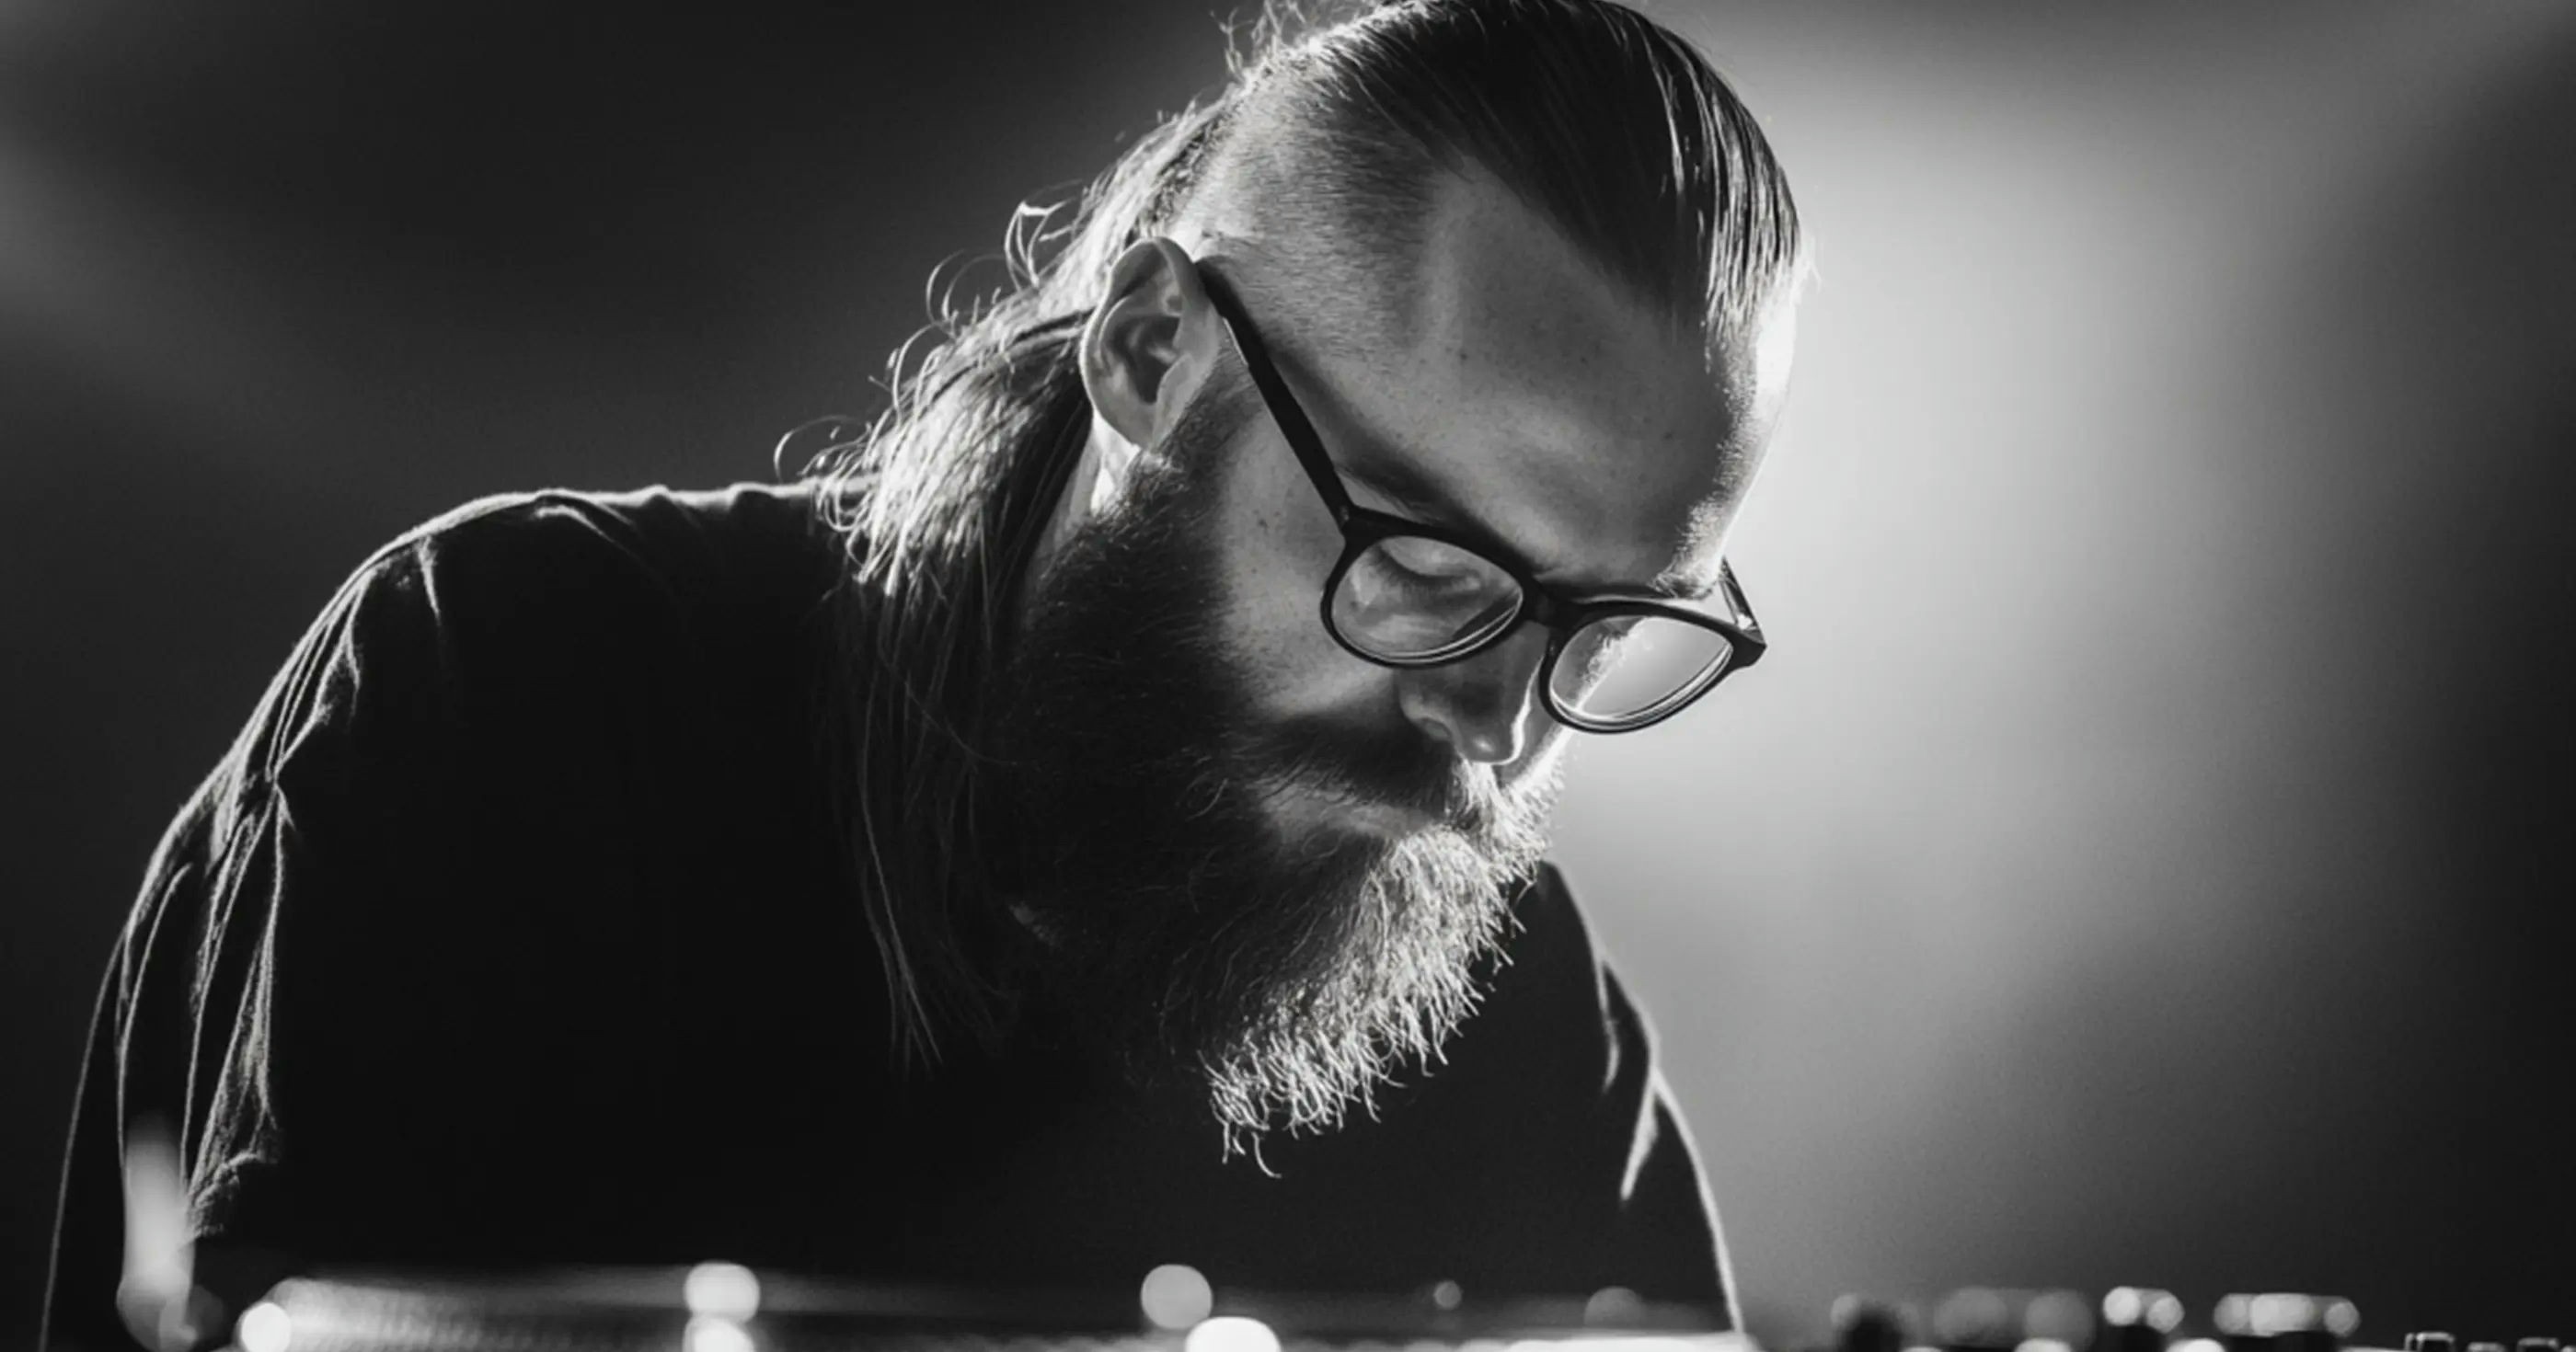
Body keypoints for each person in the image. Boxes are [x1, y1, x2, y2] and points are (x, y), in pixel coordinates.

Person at [42, 0, 1806, 1347]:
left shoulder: (1506, 996)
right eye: (1427, 567)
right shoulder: (520, 695)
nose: (1495, 734)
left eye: (1604, 626)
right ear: (1152, 350)